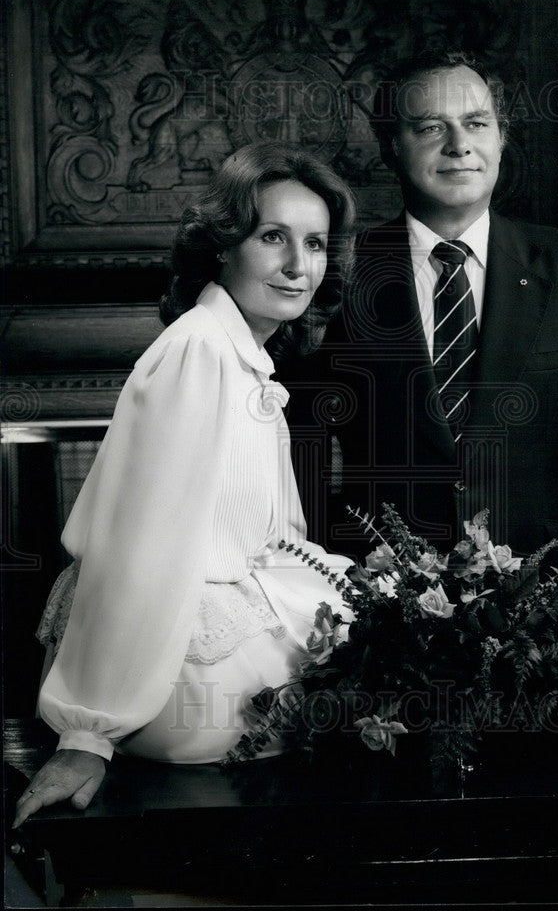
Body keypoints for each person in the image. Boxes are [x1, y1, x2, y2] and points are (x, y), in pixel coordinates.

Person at [13, 144, 356, 828]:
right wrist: (88, 735)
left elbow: (274, 542)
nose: (299, 266)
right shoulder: (199, 351)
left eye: (315, 243)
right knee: (377, 679)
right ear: (223, 246)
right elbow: (137, 544)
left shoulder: (239, 354)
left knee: (384, 630)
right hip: (166, 676)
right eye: (273, 237)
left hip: (195, 644)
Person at [285, 48, 558, 631]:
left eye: (477, 123)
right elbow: (299, 456)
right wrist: (323, 592)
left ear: (501, 139)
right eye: (430, 127)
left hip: (547, 610)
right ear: (391, 146)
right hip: (379, 611)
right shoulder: (341, 272)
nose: (459, 145)